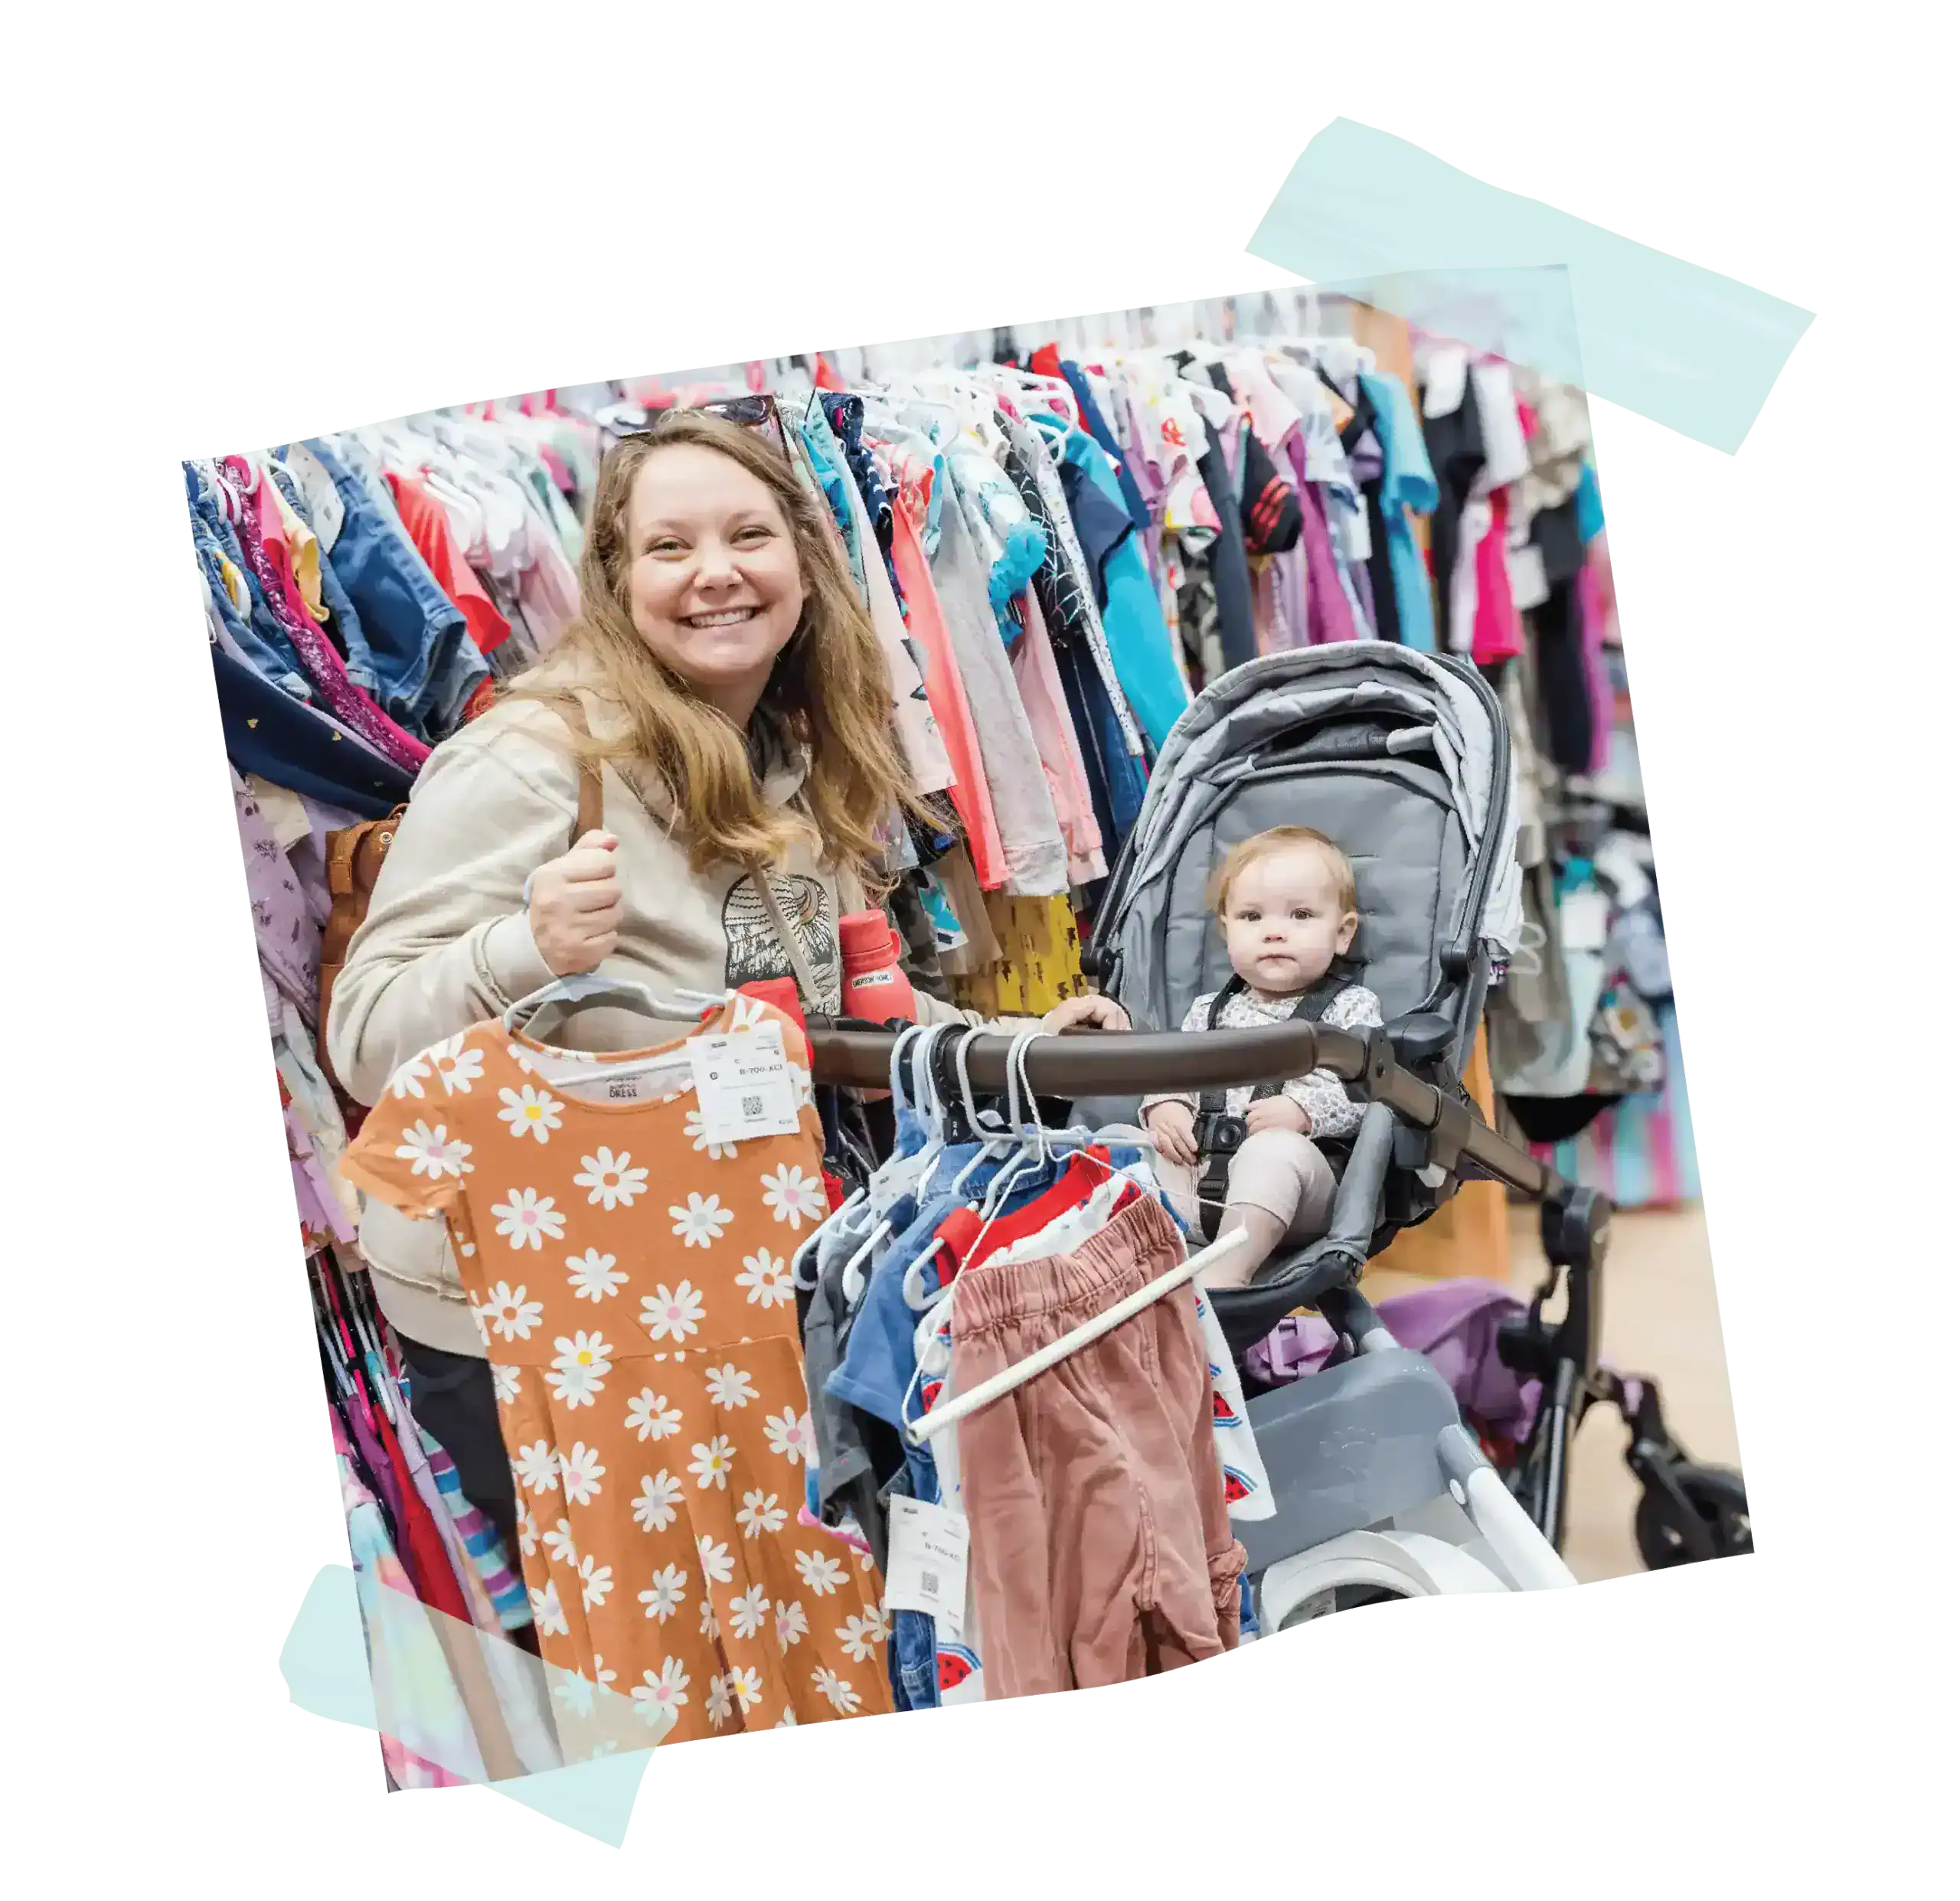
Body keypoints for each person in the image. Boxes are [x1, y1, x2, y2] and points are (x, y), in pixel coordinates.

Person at [326, 406, 1129, 1566]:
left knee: (758, 1626)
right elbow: (364, 1035)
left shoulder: (788, 751)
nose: (716, 573)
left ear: (803, 558)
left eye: (749, 535)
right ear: (617, 578)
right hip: (538, 1321)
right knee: (636, 1641)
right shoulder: (534, 757)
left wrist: (1020, 1042)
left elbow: (830, 1007)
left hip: (713, 1282)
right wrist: (525, 947)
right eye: (671, 546)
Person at [1141, 826, 1383, 1289]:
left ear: (1342, 933)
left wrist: (1304, 1111)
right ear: (1226, 929)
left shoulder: (1351, 1008)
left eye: (1301, 915)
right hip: (1197, 1184)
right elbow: (1174, 1070)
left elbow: (1368, 1095)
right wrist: (1165, 1104)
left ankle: (1223, 1283)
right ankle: (1123, 1266)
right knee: (1120, 1147)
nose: (1274, 932)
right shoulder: (1208, 1011)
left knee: (1274, 1152)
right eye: (1252, 916)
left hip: (1299, 1195)